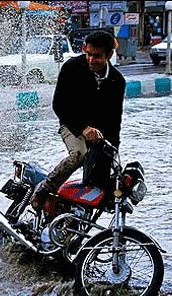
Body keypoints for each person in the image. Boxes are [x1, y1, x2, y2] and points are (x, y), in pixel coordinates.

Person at [30, 30, 126, 211]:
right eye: (88, 54)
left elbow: (114, 122)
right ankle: (44, 188)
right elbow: (59, 105)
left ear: (109, 55)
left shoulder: (117, 81)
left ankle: (72, 225)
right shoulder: (72, 67)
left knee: (98, 185)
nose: (91, 60)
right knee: (79, 154)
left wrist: (113, 153)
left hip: (99, 134)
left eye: (97, 56)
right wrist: (83, 128)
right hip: (72, 124)